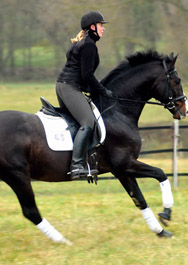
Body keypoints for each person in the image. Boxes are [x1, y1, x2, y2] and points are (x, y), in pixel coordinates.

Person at [56, 11, 113, 180]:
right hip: (69, 87)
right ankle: (76, 166)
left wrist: (91, 89)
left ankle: (87, 163)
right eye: (101, 25)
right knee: (88, 122)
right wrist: (102, 90)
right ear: (92, 27)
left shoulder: (83, 42)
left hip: (64, 86)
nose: (103, 28)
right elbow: (87, 75)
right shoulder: (88, 45)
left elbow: (82, 75)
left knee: (79, 121)